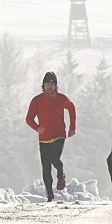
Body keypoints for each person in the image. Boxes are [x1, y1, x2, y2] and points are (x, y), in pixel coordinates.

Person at [25, 71, 76, 202]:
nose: (49, 86)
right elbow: (28, 118)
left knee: (55, 159)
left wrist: (72, 128)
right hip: (44, 138)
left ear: (55, 86)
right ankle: (50, 195)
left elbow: (71, 108)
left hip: (59, 135)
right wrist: (37, 128)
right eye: (47, 83)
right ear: (43, 85)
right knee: (46, 166)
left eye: (52, 84)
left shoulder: (61, 98)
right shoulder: (37, 100)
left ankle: (60, 174)